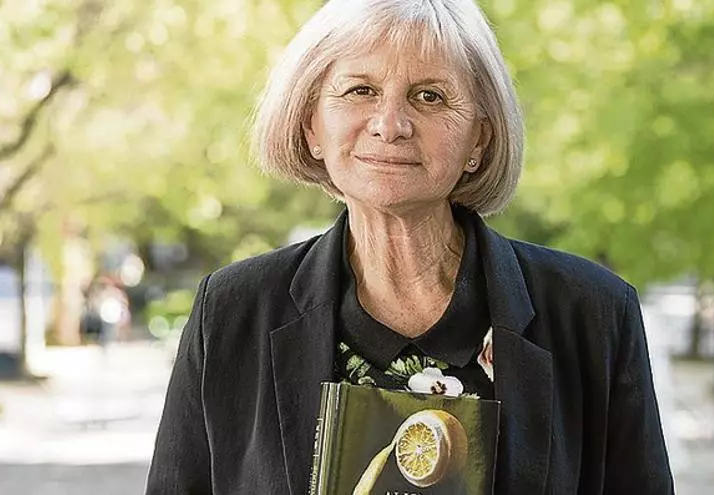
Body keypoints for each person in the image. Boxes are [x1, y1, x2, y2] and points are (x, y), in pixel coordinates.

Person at [146, 0, 674, 493]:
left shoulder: (593, 313)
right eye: (361, 91)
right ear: (311, 126)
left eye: (429, 96)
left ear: (479, 139)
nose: (390, 125)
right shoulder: (231, 312)